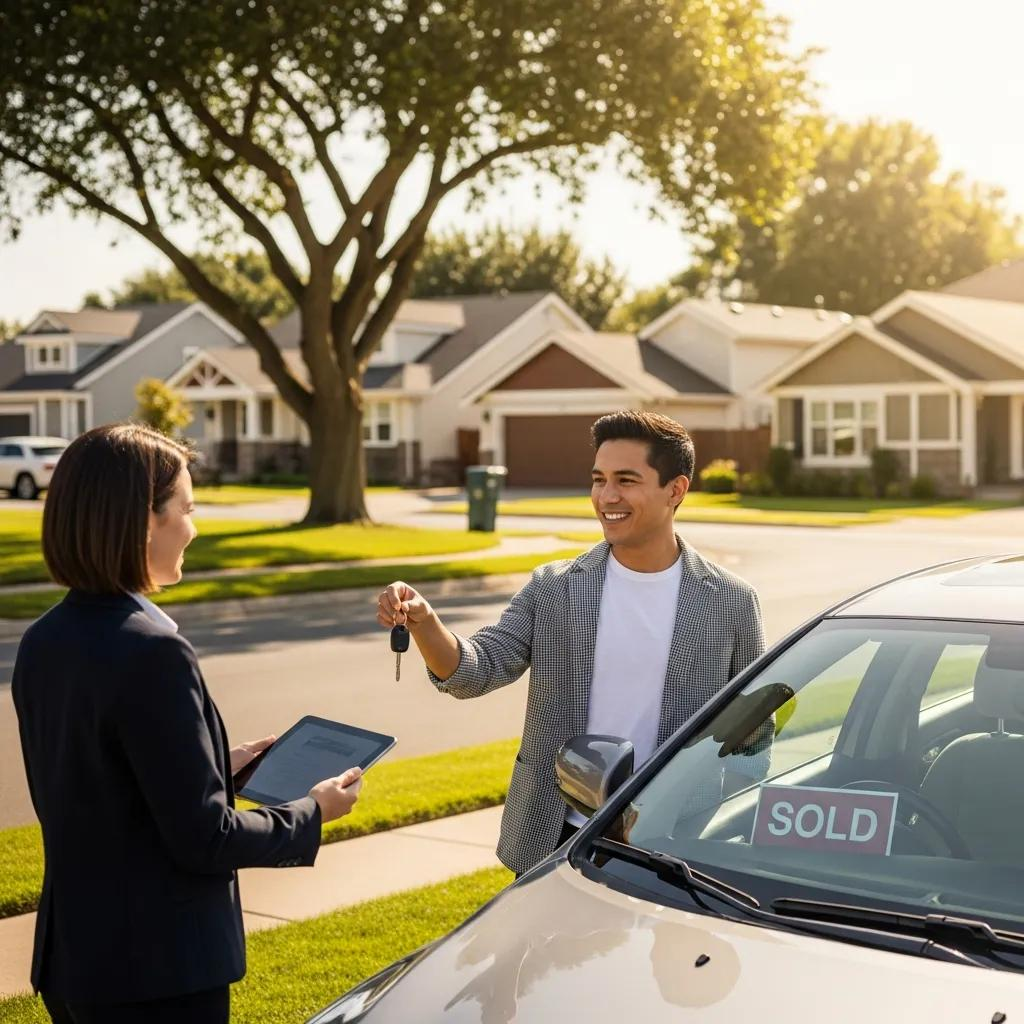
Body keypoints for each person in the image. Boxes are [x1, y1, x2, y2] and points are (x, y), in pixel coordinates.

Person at [13, 424, 364, 1024]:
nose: (195, 528)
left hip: (75, 959)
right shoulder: (153, 652)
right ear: (144, 521)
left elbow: (98, 784)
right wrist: (313, 811)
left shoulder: (44, 640)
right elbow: (207, 839)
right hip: (156, 972)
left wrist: (213, 769)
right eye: (187, 507)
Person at [377, 410, 765, 876]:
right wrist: (424, 622)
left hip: (673, 843)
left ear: (675, 490)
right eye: (599, 479)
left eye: (626, 480)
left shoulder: (730, 602)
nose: (607, 497)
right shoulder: (554, 587)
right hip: (555, 833)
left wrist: (726, 838)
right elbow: (476, 670)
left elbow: (751, 741)